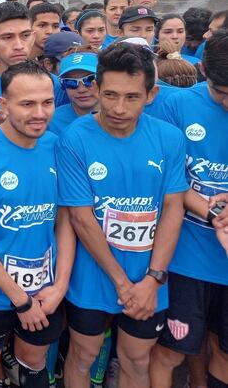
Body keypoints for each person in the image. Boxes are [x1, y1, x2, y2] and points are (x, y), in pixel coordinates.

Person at [56, 43, 189, 388]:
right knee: (82, 357)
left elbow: (173, 209)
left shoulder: (170, 138)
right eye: (110, 95)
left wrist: (152, 279)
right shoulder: (74, 139)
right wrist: (121, 283)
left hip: (149, 278)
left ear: (151, 94)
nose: (118, 107)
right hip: (92, 278)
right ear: (96, 89)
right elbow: (81, 218)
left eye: (131, 97)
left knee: (136, 360)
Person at [0, 61, 74, 388]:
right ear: (4, 105)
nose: (39, 113)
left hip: (45, 287)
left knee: (34, 359)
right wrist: (19, 298)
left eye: (47, 102)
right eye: (27, 104)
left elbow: (65, 220)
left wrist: (60, 285)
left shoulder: (57, 146)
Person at [150, 31, 228, 388]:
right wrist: (214, 214)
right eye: (223, 94)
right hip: (186, 258)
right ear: (204, 74)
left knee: (223, 350)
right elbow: (168, 182)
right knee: (172, 351)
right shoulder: (176, 106)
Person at [49, 49, 99, 135]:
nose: (81, 89)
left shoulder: (120, 116)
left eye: (89, 80)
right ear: (62, 85)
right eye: (70, 82)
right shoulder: (51, 121)